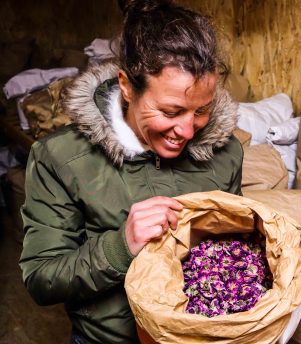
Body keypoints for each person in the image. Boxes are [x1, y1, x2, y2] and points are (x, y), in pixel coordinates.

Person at [18, 1, 243, 343]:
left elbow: (235, 245)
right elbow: (42, 278)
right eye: (171, 111)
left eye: (201, 111)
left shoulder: (226, 154)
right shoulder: (61, 158)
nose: (187, 130)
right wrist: (121, 246)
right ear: (126, 85)